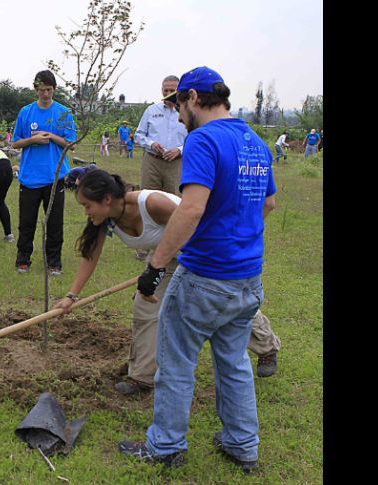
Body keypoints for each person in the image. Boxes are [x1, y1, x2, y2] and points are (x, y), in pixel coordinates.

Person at [117, 66, 277, 473]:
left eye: (177, 104)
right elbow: (269, 204)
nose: (176, 113)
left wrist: (155, 267)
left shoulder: (203, 139)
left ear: (192, 98)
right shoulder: (254, 140)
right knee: (234, 361)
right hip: (247, 278)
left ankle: (166, 446)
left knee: (176, 362)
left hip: (205, 276)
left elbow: (191, 208)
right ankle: (243, 445)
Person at [54, 169, 281, 400]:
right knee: (145, 308)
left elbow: (197, 228)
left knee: (223, 302)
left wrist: (182, 267)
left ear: (107, 199)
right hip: (164, 257)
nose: (86, 212)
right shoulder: (105, 219)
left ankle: (267, 347)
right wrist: (71, 296)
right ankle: (141, 376)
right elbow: (90, 256)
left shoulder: (152, 204)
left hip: (203, 250)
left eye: (87, 205)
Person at [11, 69, 77, 275]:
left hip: (54, 176)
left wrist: (51, 136)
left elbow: (71, 143)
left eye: (49, 90)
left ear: (54, 89)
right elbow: (15, 142)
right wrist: (32, 140)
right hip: (29, 177)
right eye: (41, 90)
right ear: (36, 90)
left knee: (55, 223)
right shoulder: (26, 112)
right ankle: (23, 260)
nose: (45, 94)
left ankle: (54, 263)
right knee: (26, 222)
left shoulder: (63, 113)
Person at [134, 75, 188, 195]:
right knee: (147, 198)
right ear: (161, 90)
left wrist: (179, 150)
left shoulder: (186, 112)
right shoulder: (151, 111)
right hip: (152, 161)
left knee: (175, 200)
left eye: (172, 90)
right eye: (166, 90)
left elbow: (194, 139)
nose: (168, 93)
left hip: (177, 164)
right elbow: (139, 135)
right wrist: (151, 144)